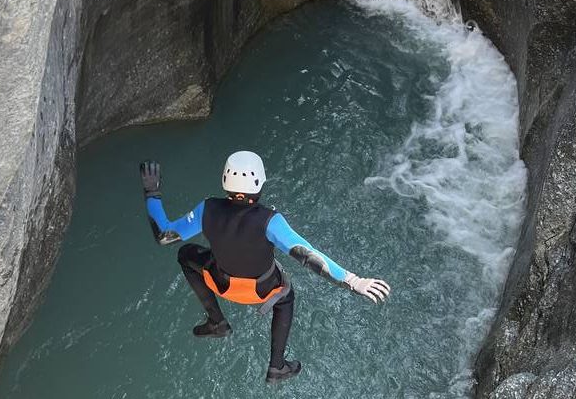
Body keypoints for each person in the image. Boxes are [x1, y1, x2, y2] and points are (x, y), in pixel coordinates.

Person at [139, 152, 391, 382]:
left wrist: (152, 193)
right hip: (261, 292)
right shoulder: (270, 220)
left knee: (186, 254)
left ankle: (217, 322)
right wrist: (354, 281)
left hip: (220, 282)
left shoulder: (208, 209)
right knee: (286, 297)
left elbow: (165, 235)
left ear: (225, 181)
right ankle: (277, 366)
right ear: (260, 184)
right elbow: (310, 257)